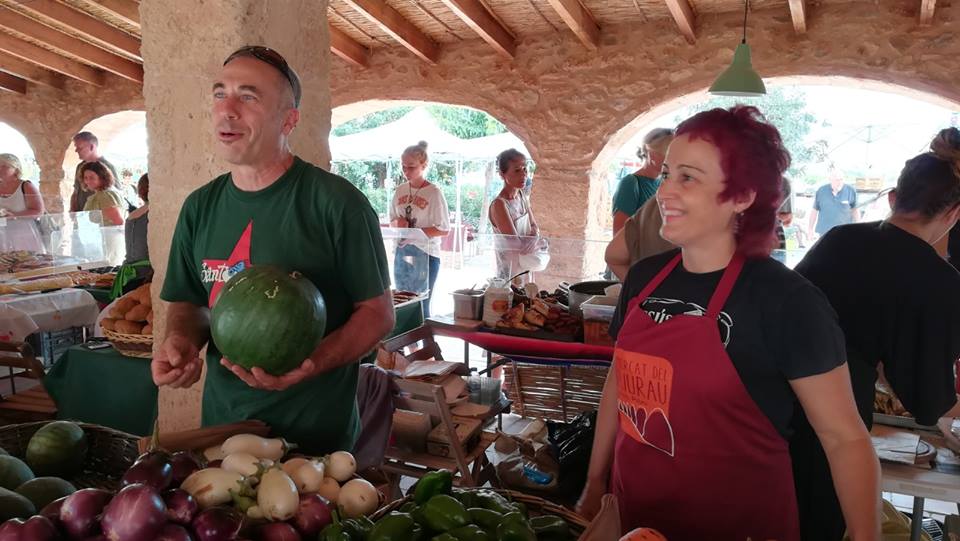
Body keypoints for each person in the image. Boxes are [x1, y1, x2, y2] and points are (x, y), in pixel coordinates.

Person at [576, 106, 880, 540]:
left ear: (742, 196)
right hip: (637, 517)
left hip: (740, 526)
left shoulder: (786, 301)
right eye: (666, 175)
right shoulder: (645, 278)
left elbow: (845, 438)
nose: (665, 192)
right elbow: (620, 383)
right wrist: (594, 480)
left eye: (688, 177)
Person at [153, 46, 394, 455]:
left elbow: (378, 314)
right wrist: (182, 342)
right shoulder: (199, 206)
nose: (227, 109)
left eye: (248, 96)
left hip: (317, 444)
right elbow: (191, 302)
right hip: (224, 435)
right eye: (219, 93)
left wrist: (311, 364)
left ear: (289, 119)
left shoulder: (337, 204)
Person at [791, 128, 960, 540]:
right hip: (836, 426)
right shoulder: (940, 280)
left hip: (773, 405)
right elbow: (928, 397)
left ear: (893, 197)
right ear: (954, 213)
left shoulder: (838, 239)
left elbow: (792, 311)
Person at [388, 141, 449, 317]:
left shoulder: (434, 193)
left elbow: (443, 228)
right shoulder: (400, 190)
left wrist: (414, 234)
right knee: (402, 301)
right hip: (402, 251)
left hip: (426, 253)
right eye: (403, 166)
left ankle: (424, 342)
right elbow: (392, 219)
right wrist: (399, 224)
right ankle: (406, 343)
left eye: (412, 167)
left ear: (424, 166)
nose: (406, 171)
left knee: (422, 303)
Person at [489, 148, 542, 283]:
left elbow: (534, 226)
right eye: (517, 170)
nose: (524, 175)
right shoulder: (499, 205)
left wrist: (535, 237)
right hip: (510, 272)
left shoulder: (522, 196)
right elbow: (515, 244)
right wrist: (537, 242)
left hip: (526, 266)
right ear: (502, 174)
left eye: (525, 169)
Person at [612, 128, 674, 235]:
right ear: (651, 155)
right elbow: (619, 233)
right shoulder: (630, 183)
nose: (673, 160)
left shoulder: (666, 182)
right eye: (668, 155)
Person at [0, 153, 44, 252]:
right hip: (2, 235)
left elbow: (38, 211)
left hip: (24, 234)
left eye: (4, 166)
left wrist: (14, 215)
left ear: (16, 169)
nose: (0, 169)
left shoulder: (26, 186)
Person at [70, 132, 119, 212]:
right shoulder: (80, 167)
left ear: (92, 147)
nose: (76, 151)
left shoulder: (107, 167)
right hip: (81, 216)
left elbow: (115, 193)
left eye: (80, 148)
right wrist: (73, 211)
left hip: (100, 218)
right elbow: (76, 191)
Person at [808, 167, 859, 239]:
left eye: (841, 179)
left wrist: (858, 228)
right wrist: (810, 229)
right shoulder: (821, 191)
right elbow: (814, 210)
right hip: (824, 231)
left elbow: (855, 210)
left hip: (845, 230)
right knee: (825, 249)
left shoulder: (850, 190)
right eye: (836, 180)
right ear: (830, 180)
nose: (839, 182)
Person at [80, 161, 125, 226]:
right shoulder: (109, 192)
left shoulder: (104, 196)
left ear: (102, 177)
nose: (88, 181)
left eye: (92, 177)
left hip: (109, 235)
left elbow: (119, 222)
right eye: (85, 178)